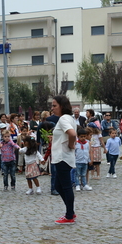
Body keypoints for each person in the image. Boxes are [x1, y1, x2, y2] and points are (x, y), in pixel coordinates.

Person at [50, 95, 77, 224]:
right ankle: (70, 211)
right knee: (58, 186)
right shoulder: (69, 118)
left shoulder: (63, 119)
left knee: (65, 187)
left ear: (62, 106)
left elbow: (72, 134)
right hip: (64, 156)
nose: (52, 108)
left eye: (55, 105)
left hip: (62, 157)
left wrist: (71, 144)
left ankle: (69, 216)